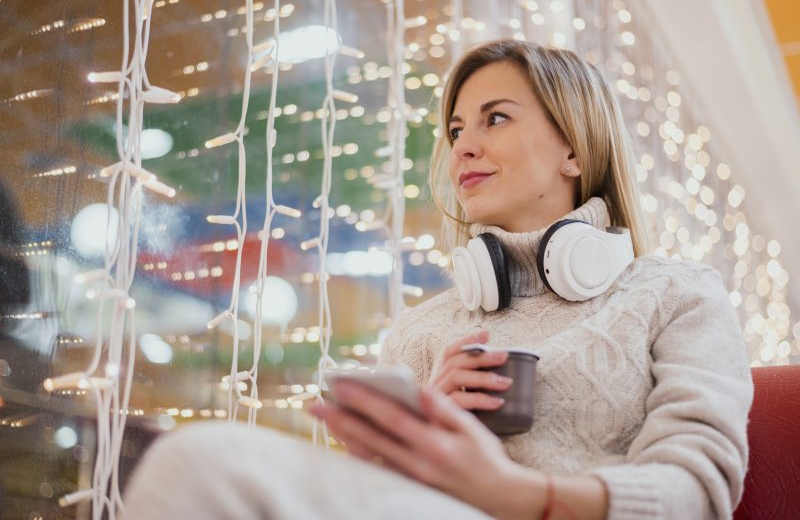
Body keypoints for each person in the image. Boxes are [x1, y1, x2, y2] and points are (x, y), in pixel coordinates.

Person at [122, 40, 753, 520]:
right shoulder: (422, 332)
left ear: (575, 151)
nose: (462, 148)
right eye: (455, 131)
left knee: (195, 460)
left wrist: (514, 493)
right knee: (195, 463)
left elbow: (698, 490)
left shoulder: (677, 294)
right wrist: (409, 442)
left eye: (495, 119)